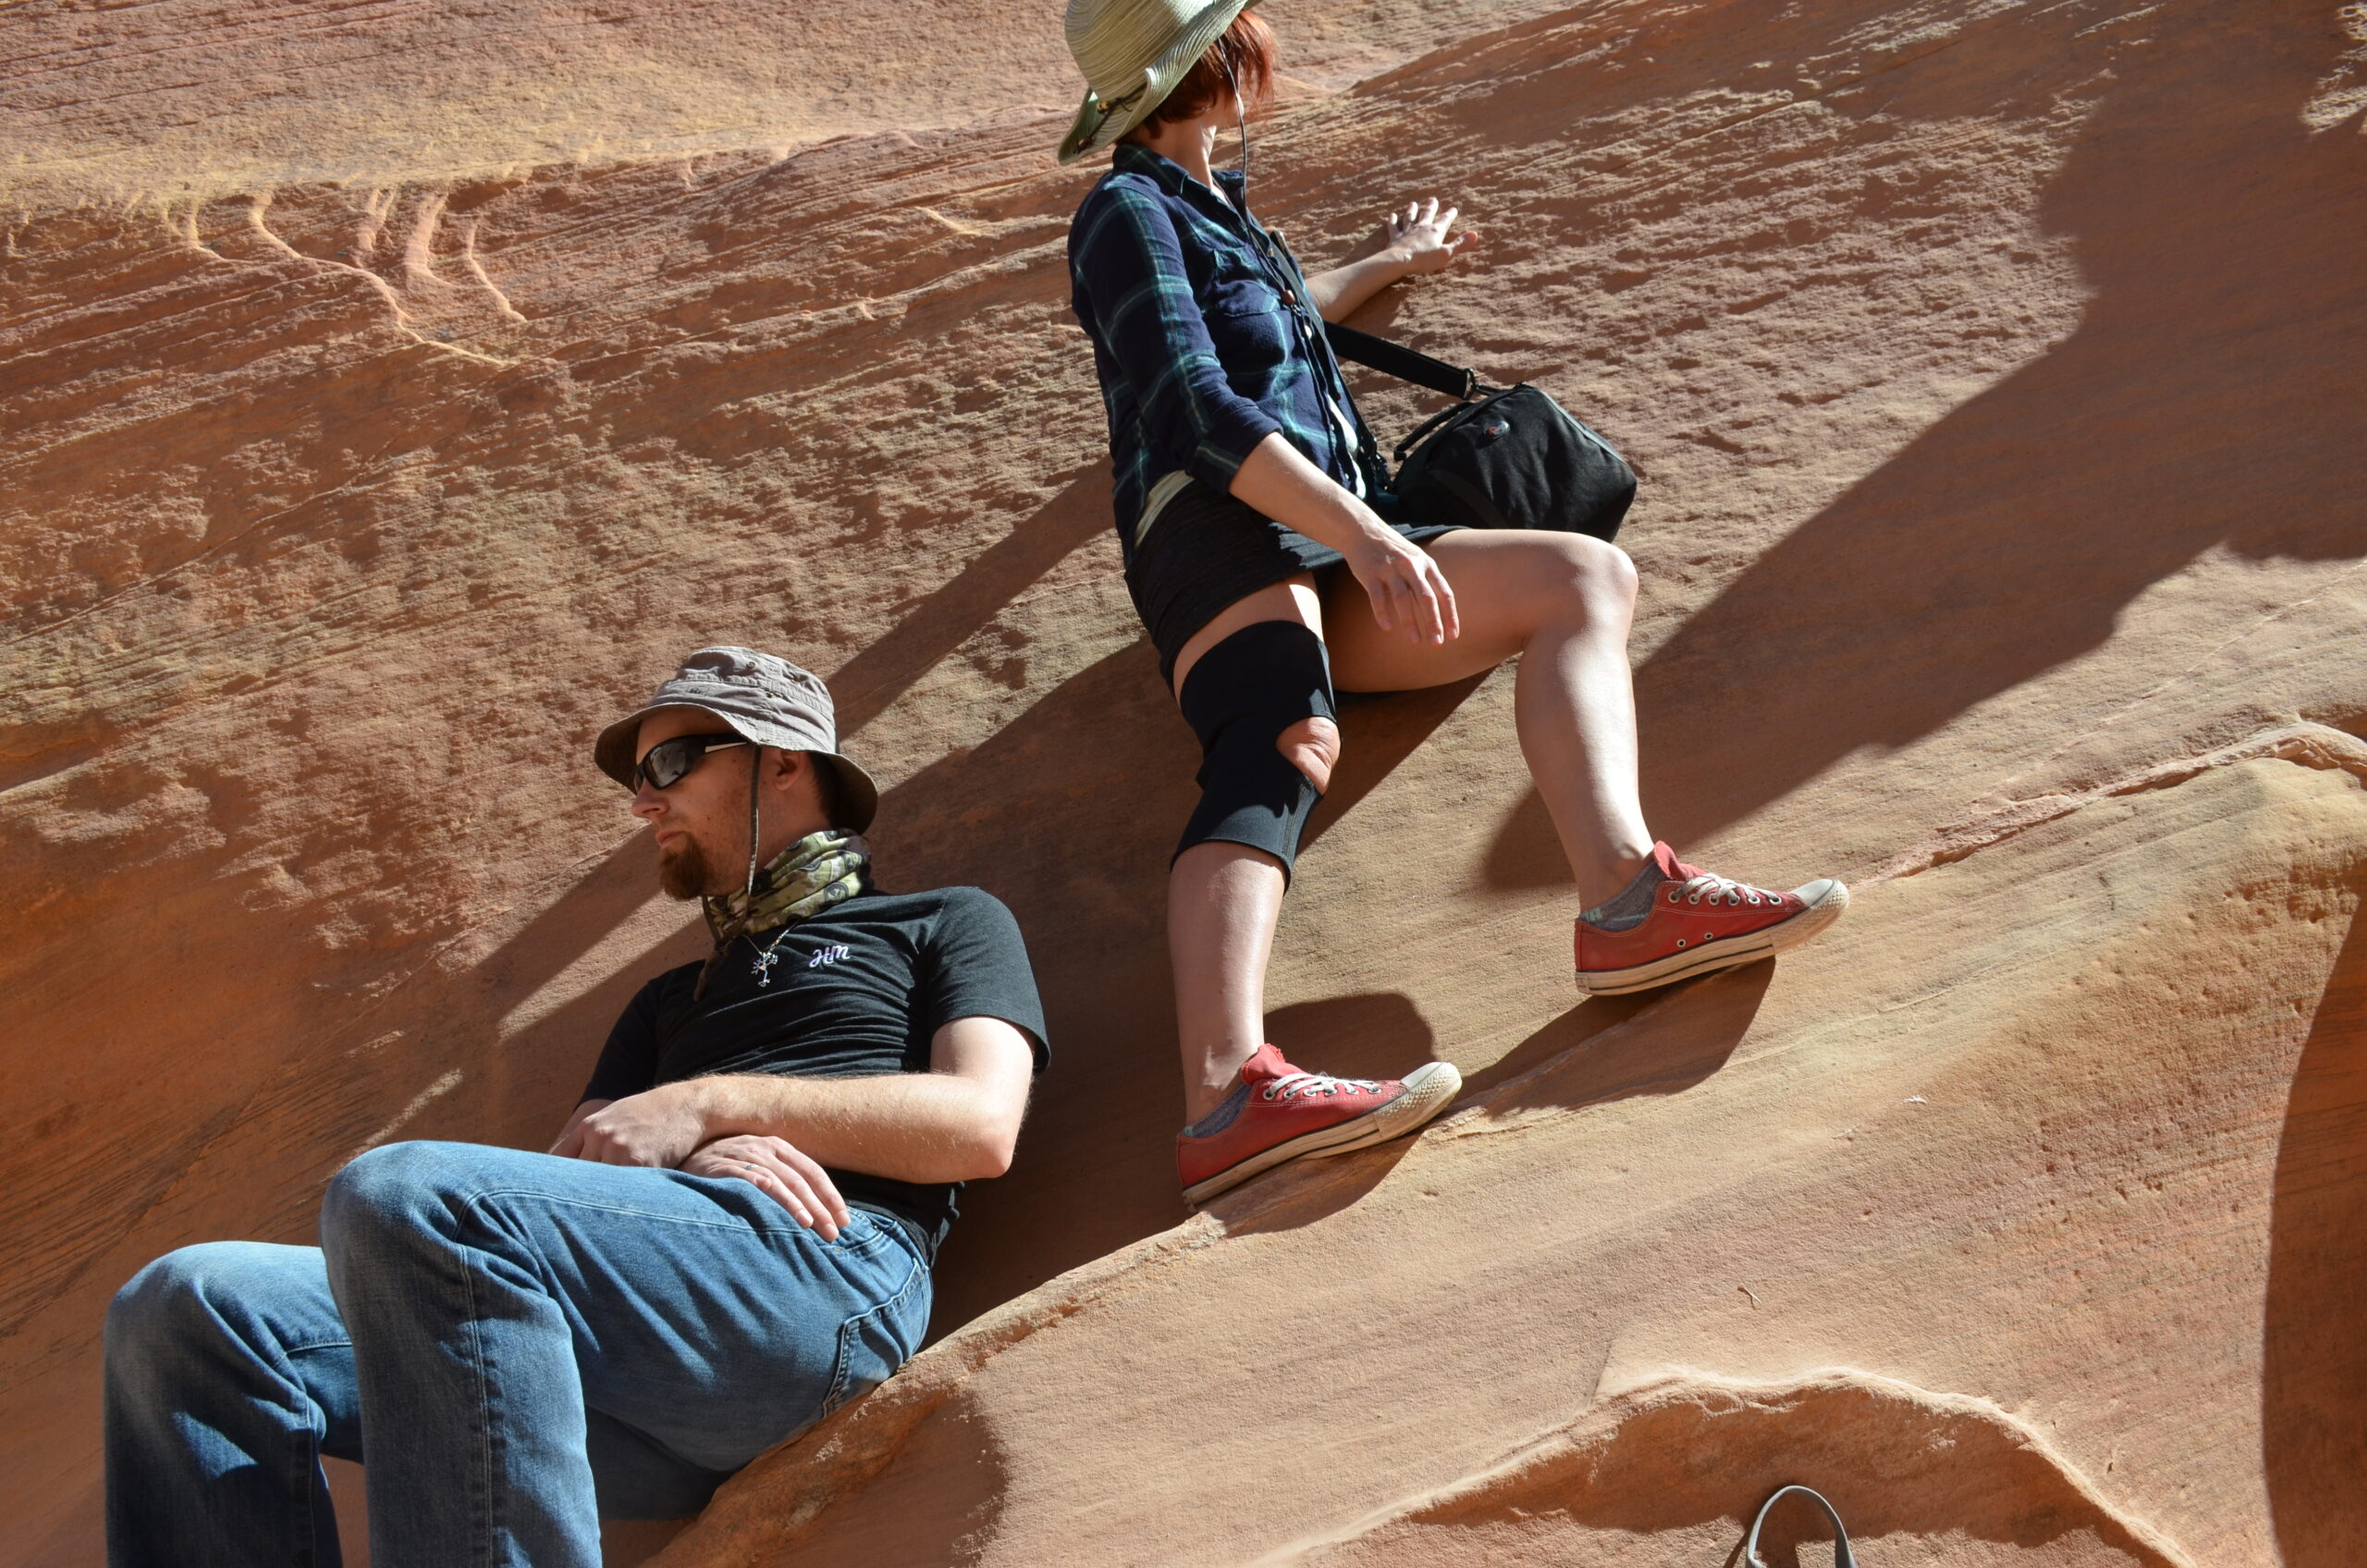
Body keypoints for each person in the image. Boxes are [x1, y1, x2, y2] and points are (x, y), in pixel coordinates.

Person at [1058, 0, 1847, 1206]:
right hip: (1217, 525)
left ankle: (1629, 903)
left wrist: (1384, 264)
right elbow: (1192, 406)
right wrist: (1366, 533)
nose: (1261, 43)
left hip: (1335, 527)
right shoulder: (1124, 212)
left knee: (1583, 577)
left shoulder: (1222, 205)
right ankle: (1224, 1098)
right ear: (1207, 60)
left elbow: (1277, 319)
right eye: (1241, 28)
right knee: (1280, 738)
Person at [103, 647, 1048, 1568]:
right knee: (189, 1302)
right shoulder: (667, 1001)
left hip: (823, 1278)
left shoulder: (940, 922)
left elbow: (979, 1125)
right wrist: (688, 1151)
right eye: (636, 780)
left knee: (406, 1190)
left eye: (670, 766)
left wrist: (708, 1104)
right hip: (614, 1382)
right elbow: (581, 1169)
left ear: (786, 762)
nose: (643, 802)